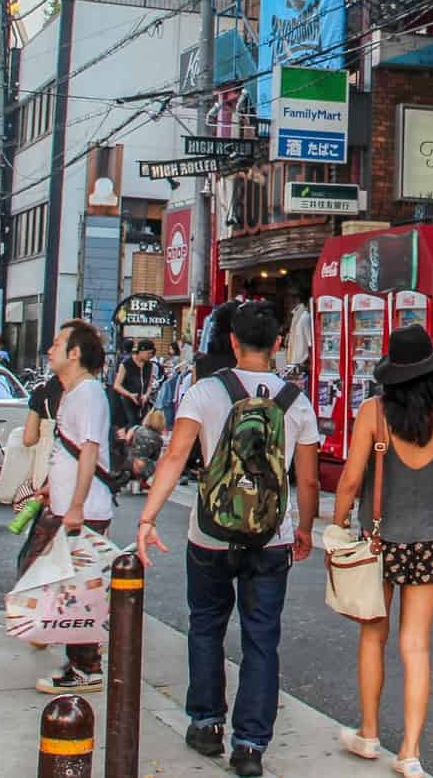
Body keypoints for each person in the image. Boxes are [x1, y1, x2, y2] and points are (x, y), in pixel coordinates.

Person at [135, 301, 319, 776]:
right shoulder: (297, 401)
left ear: (233, 342)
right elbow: (309, 479)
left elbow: (175, 457)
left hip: (211, 533)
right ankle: (251, 745)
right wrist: (303, 528)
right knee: (262, 639)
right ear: (279, 344)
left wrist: (147, 519)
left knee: (206, 625)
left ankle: (205, 722)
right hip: (271, 536)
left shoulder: (204, 392)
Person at [331, 325, 433, 776]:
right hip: (429, 540)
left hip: (379, 540)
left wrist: (335, 527)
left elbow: (351, 480)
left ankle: (369, 735)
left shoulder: (373, 413)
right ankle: (410, 751)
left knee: (374, 636)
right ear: (432, 374)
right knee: (417, 646)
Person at [35, 319, 117, 697]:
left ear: (75, 353)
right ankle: (76, 659)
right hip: (68, 506)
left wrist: (77, 506)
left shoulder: (88, 394)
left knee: (80, 589)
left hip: (82, 511)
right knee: (70, 585)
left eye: (57, 343)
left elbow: (89, 451)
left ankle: (86, 667)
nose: (49, 350)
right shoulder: (75, 392)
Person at [112, 339, 159, 430]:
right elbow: (117, 385)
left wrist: (146, 395)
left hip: (142, 402)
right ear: (141, 351)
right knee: (131, 424)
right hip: (127, 401)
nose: (150, 356)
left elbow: (149, 385)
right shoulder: (126, 364)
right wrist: (129, 394)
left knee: (142, 425)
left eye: (151, 353)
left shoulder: (149, 365)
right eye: (148, 353)